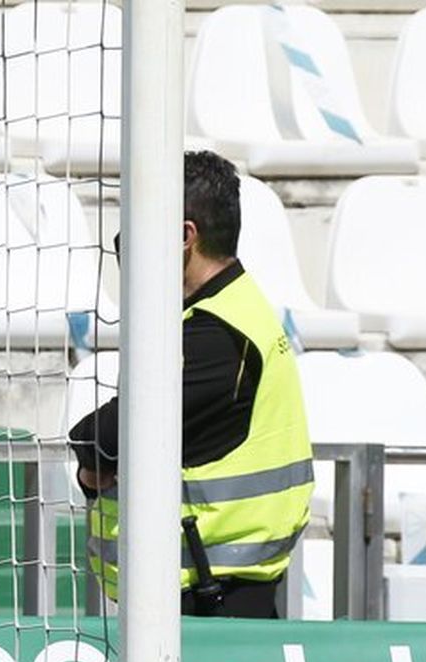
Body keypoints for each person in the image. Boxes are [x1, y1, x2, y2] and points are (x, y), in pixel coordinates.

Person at [70, 150, 314, 619]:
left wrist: (91, 461)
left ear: (184, 236)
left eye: (138, 225)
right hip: (211, 590)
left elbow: (100, 439)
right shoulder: (233, 309)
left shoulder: (216, 336)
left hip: (209, 604)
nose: (125, 244)